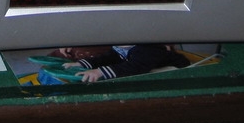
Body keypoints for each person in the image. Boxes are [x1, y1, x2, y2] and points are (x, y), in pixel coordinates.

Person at [61, 44, 190, 82]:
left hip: (174, 68)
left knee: (142, 75)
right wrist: (82, 64)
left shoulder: (148, 48)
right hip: (143, 65)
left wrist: (99, 72)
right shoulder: (122, 47)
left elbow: (134, 67)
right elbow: (108, 57)